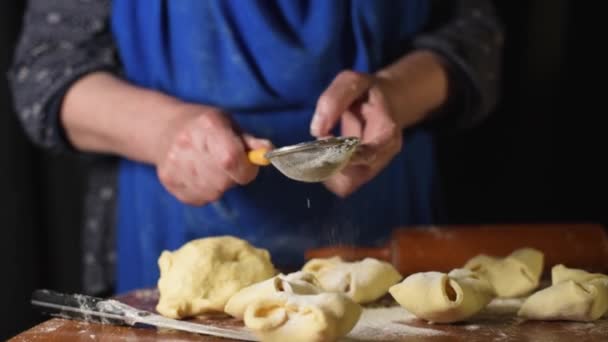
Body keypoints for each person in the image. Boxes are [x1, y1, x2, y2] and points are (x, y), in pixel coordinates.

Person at [9, 0, 503, 295]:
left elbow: (474, 35)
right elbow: (45, 72)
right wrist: (166, 132)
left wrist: (395, 94)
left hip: (385, 230)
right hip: (167, 232)